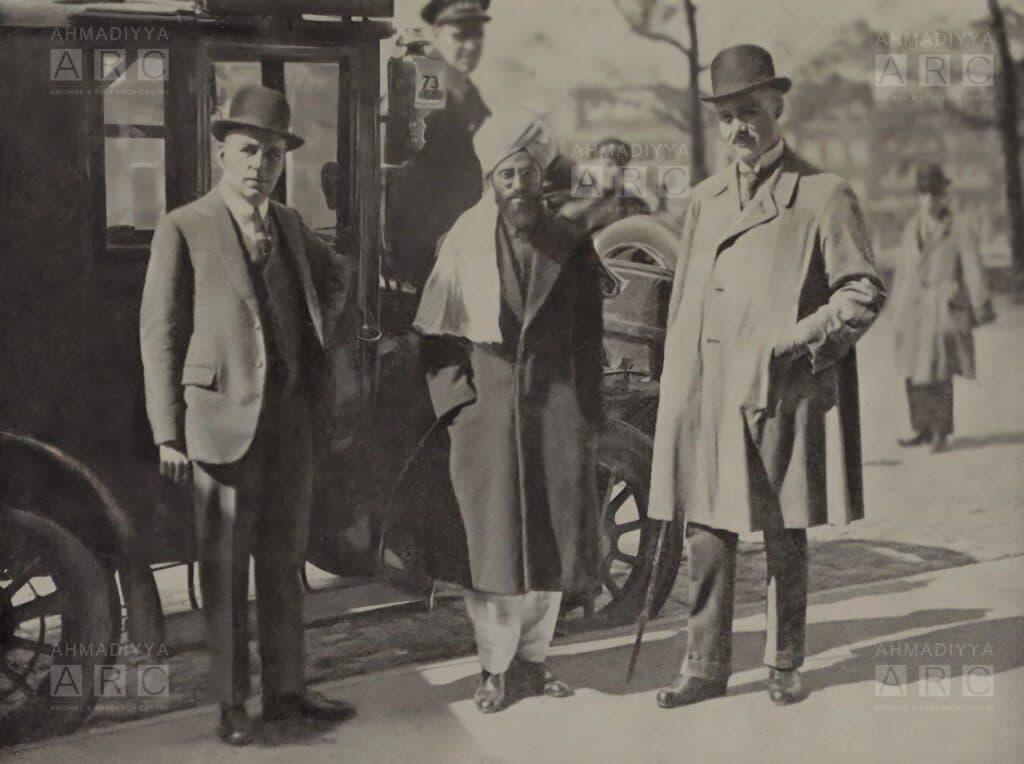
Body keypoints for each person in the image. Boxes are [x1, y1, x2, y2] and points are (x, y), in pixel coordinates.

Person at [648, 44, 886, 709]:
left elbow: (863, 291)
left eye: (749, 111)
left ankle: (784, 661)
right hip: (712, 392)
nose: (737, 129)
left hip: (781, 390)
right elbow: (687, 301)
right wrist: (680, 391)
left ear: (778, 105)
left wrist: (803, 339)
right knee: (708, 534)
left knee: (784, 533)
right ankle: (705, 666)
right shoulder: (703, 201)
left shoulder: (822, 194)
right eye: (726, 116)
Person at [140, 85, 355, 746]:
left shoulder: (289, 224)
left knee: (285, 561)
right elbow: (160, 333)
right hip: (218, 423)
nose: (259, 164)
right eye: (247, 151)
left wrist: (318, 334)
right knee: (225, 572)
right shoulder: (185, 225)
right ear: (221, 153)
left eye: (270, 153)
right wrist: (167, 430)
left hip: (290, 420)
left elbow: (334, 277)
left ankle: (287, 692)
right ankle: (233, 705)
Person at [413, 109, 604, 714]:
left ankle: (535, 662)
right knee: (493, 556)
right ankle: (494, 670)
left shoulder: (571, 244)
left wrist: (588, 413)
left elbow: (588, 337)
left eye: (527, 173)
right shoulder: (462, 243)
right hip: (488, 419)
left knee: (548, 551)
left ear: (540, 175)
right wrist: (459, 407)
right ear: (491, 183)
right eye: (507, 177)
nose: (519, 186)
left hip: (556, 413)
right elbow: (437, 342)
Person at [891, 161, 995, 453]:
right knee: (914, 369)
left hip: (942, 305)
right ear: (917, 197)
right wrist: (895, 309)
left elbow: (973, 268)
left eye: (935, 194)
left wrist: (979, 303)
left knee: (939, 369)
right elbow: (901, 270)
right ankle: (921, 427)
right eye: (923, 194)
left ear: (944, 196)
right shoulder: (911, 227)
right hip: (912, 307)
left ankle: (941, 432)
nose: (929, 200)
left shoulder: (958, 228)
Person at [387, 0, 492, 288]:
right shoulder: (428, 73)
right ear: (438, 33)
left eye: (476, 36)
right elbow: (414, 152)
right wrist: (446, 231)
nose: (471, 47)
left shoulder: (466, 88)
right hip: (432, 232)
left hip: (461, 223)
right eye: (460, 36)